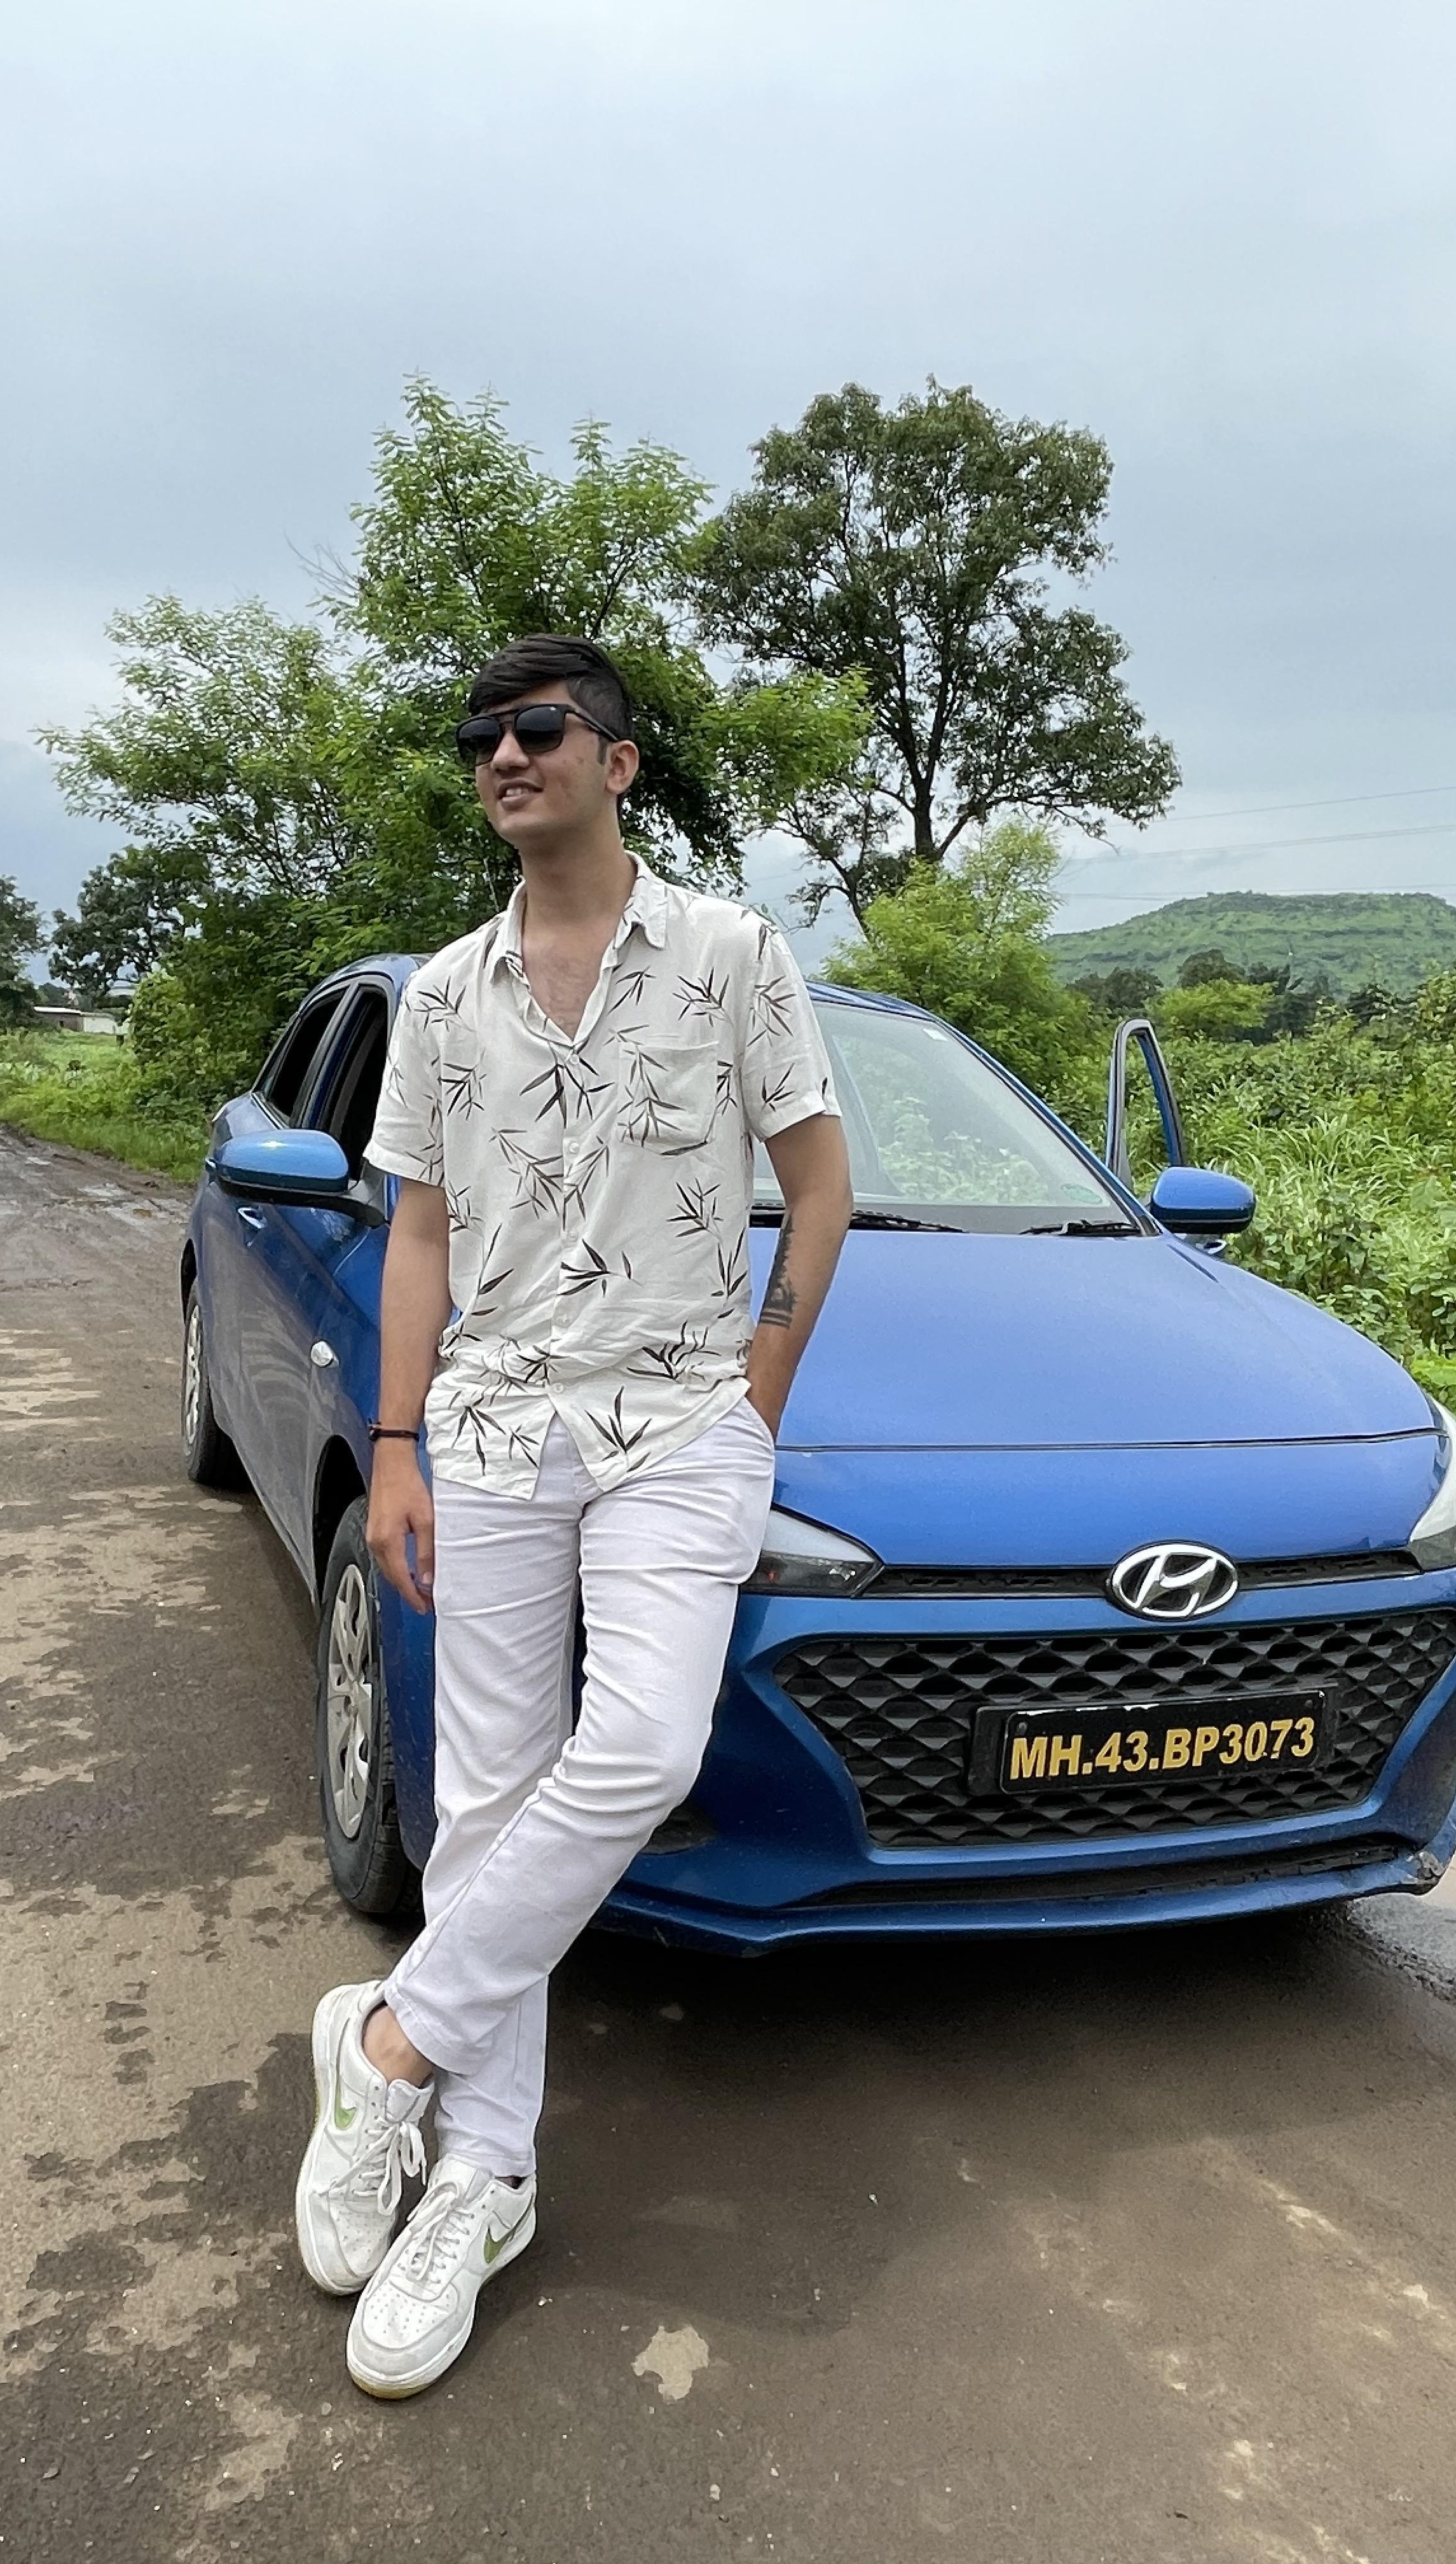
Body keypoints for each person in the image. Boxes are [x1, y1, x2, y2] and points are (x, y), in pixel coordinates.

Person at [294, 633, 853, 2399]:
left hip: (680, 1424)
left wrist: (760, 1389)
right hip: (492, 1431)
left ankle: (386, 2047)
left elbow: (819, 1183)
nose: (505, 753)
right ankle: (483, 2172)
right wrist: (395, 1445)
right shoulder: (443, 997)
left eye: (540, 726)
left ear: (618, 762)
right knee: (484, 1796)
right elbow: (421, 1235)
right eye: (484, 733)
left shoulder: (734, 955)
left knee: (643, 1747)